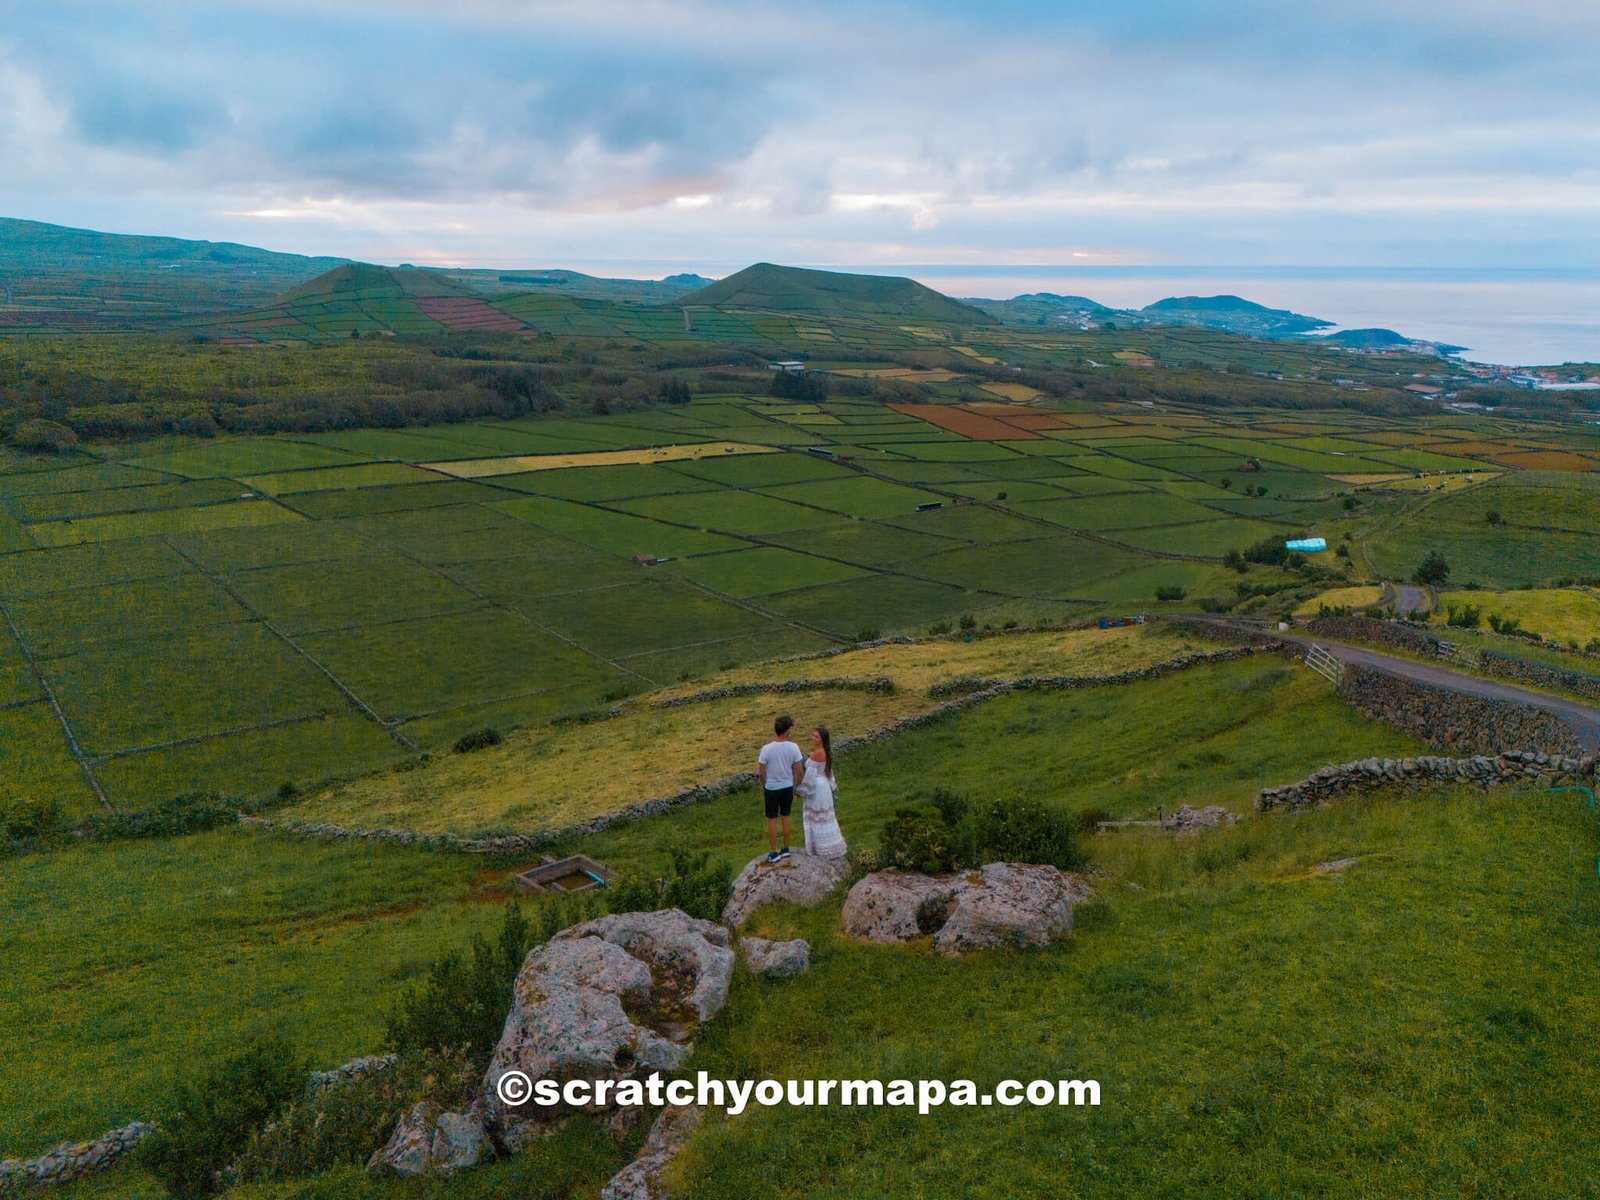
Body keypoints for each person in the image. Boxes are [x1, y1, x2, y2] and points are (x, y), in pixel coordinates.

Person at [756, 714, 804, 862]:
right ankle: (786, 848)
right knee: (786, 816)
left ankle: (773, 851)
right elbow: (799, 770)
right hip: (787, 786)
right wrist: (798, 786)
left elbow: (762, 772)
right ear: (786, 731)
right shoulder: (793, 747)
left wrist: (766, 785)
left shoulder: (766, 749)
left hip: (771, 787)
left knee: (771, 819)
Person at [798, 725, 847, 859]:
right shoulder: (825, 751)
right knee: (824, 816)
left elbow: (810, 775)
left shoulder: (818, 753)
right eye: (813, 735)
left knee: (817, 817)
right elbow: (829, 772)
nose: (813, 738)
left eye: (816, 736)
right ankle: (829, 845)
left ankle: (821, 848)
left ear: (822, 739)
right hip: (824, 785)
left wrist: (801, 791)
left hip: (817, 787)